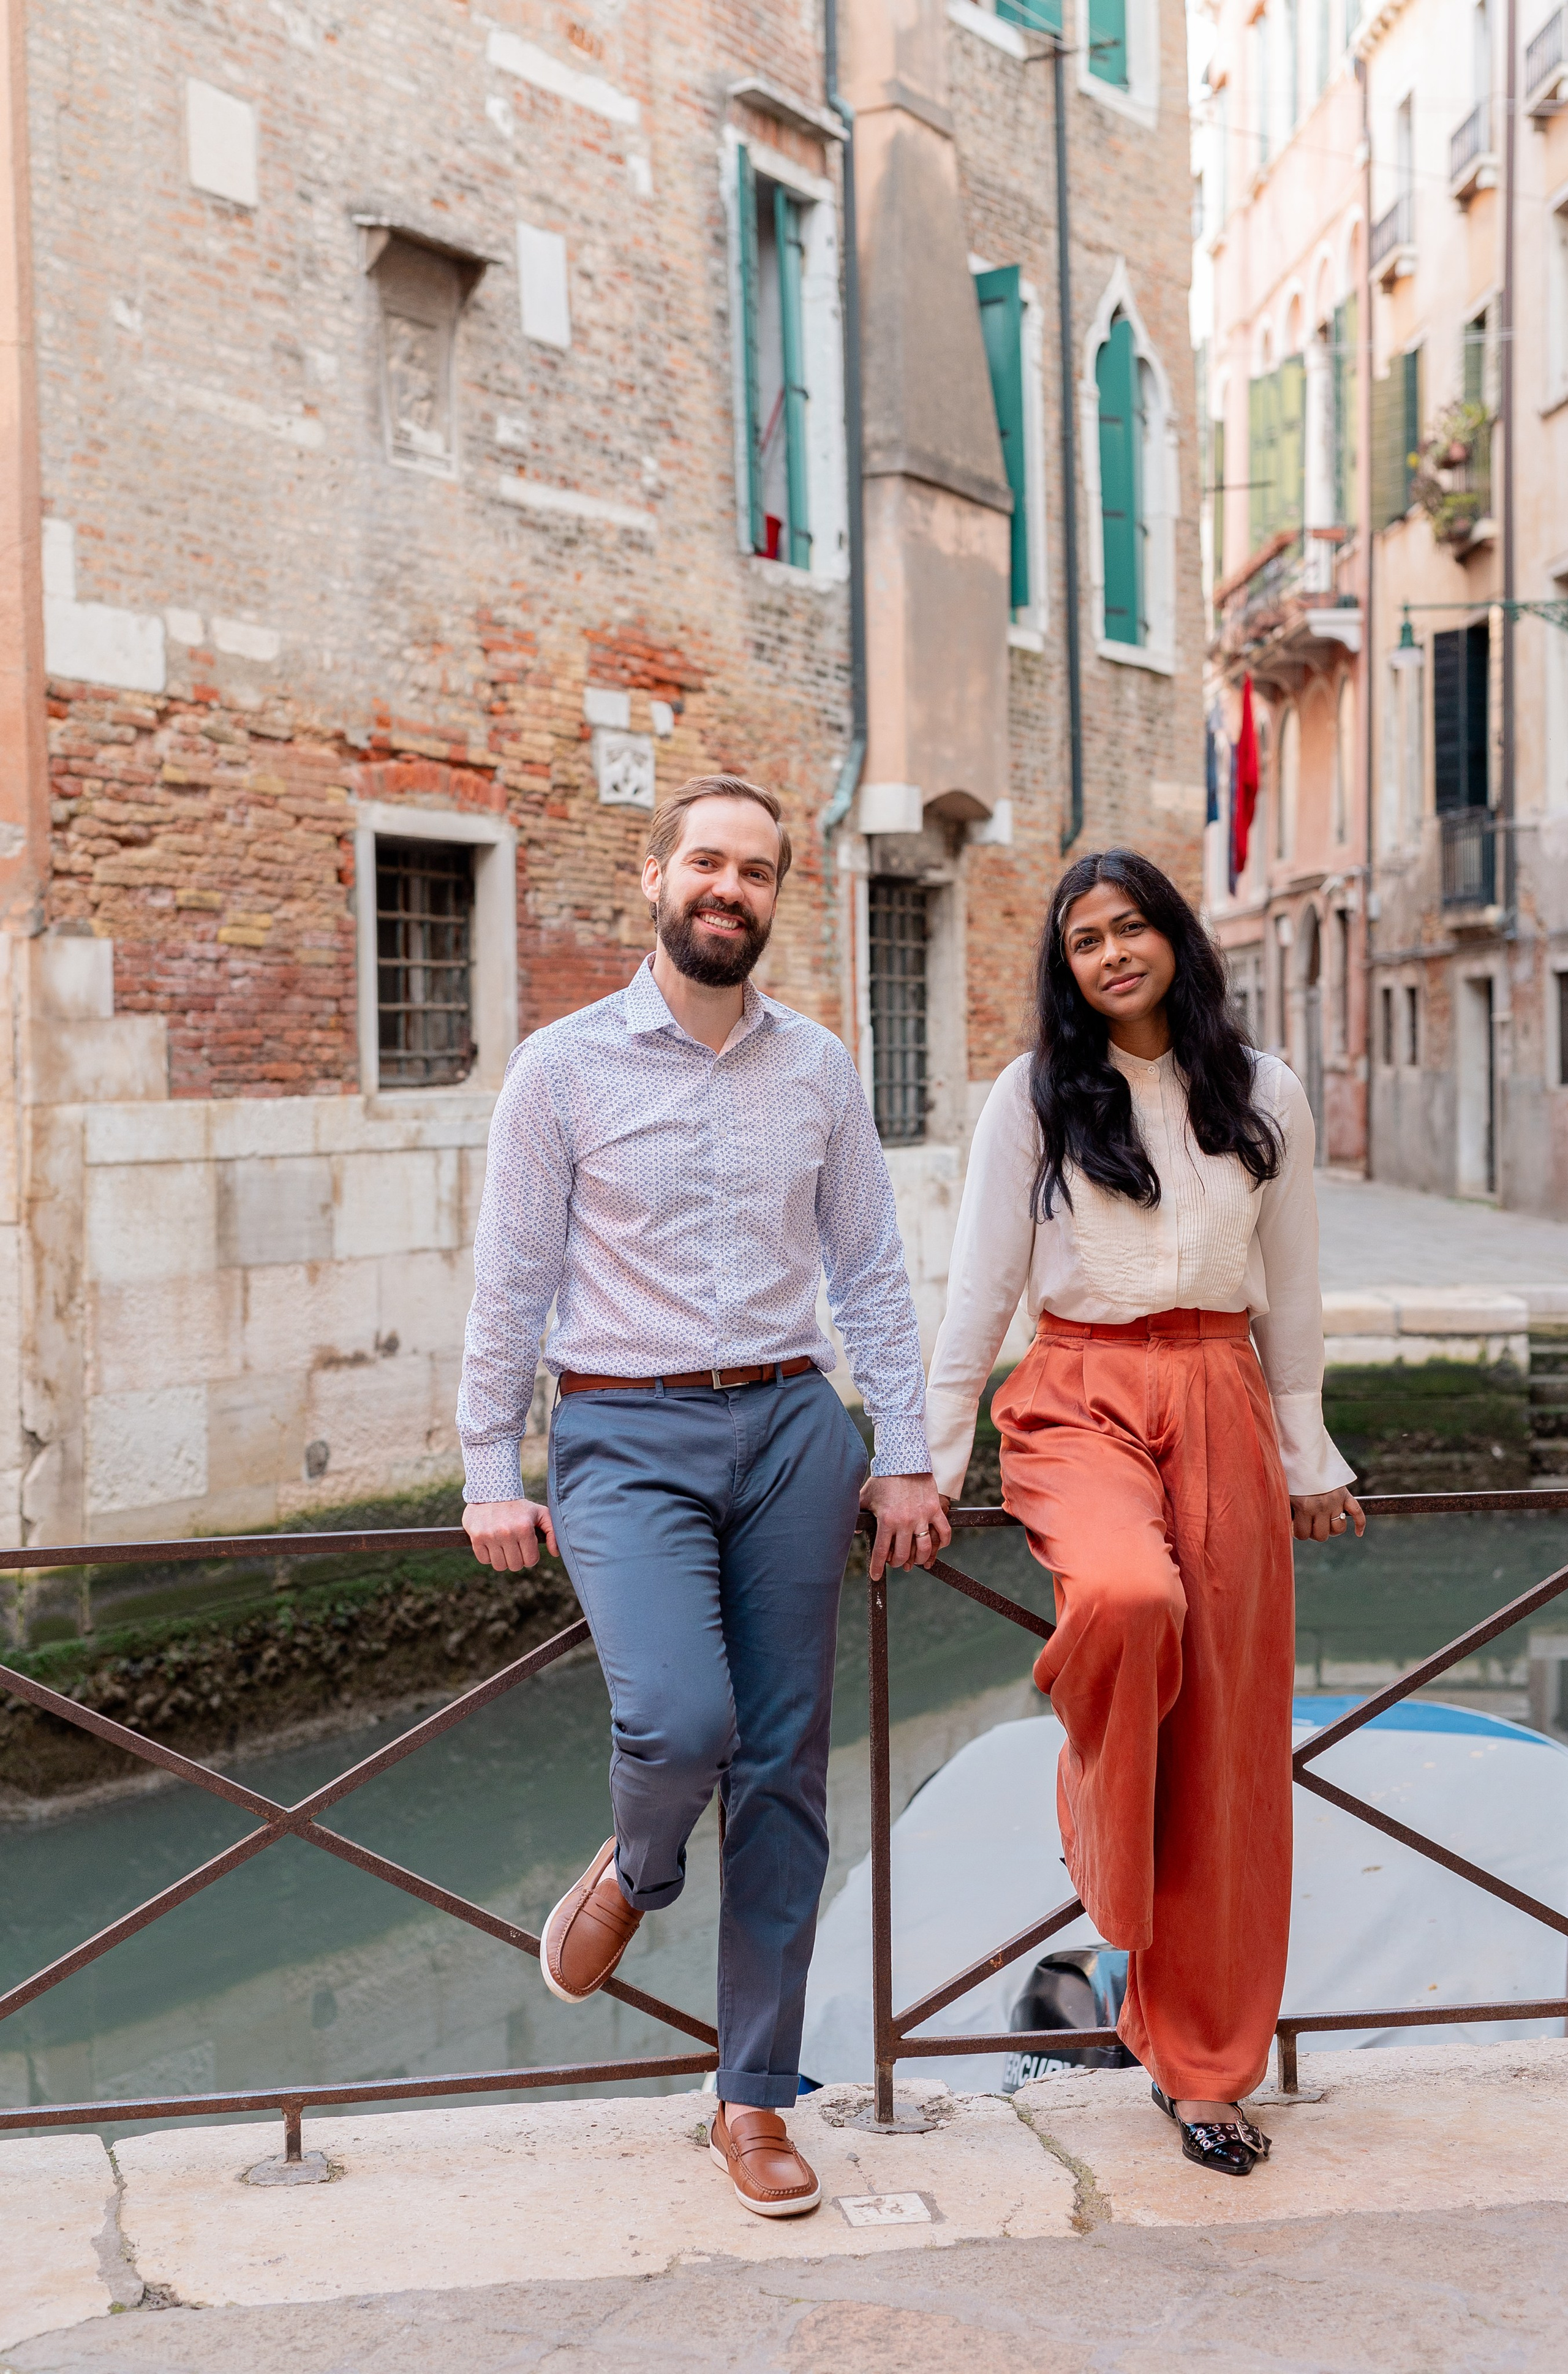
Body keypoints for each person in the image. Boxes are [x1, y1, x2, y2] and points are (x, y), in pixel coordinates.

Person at [457, 774, 951, 2218]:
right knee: (680, 1721)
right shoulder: (557, 1071)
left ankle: (753, 2099)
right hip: (621, 1436)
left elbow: (865, 1267)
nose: (727, 889)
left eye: (756, 871)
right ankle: (636, 1864)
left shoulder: (819, 1069)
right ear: (653, 877)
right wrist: (492, 1467)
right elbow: (511, 1285)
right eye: (705, 864)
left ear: (776, 898)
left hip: (796, 1429)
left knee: (785, 1771)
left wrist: (904, 1449)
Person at [925, 849, 1363, 2177]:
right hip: (1077, 1392)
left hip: (1223, 1392)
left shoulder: (1262, 1091)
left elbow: (1292, 1289)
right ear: (1064, 970)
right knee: (1124, 1600)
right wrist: (927, 1463)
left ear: (1173, 936)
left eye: (1130, 929)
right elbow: (979, 1286)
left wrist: (1307, 1449)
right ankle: (1096, 1822)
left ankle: (1201, 2069)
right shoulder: (1034, 1098)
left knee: (1231, 1756)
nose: (1110, 954)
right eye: (1083, 942)